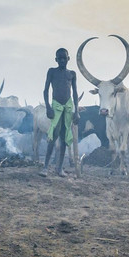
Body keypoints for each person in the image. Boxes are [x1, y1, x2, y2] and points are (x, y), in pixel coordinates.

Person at [41, 48, 79, 177]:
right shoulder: (52, 72)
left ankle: (59, 168)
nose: (62, 60)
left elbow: (75, 93)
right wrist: (48, 107)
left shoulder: (72, 74)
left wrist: (76, 111)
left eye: (64, 58)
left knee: (64, 137)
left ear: (68, 59)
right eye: (60, 58)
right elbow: (45, 90)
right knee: (53, 135)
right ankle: (45, 167)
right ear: (56, 59)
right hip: (56, 106)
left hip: (68, 107)